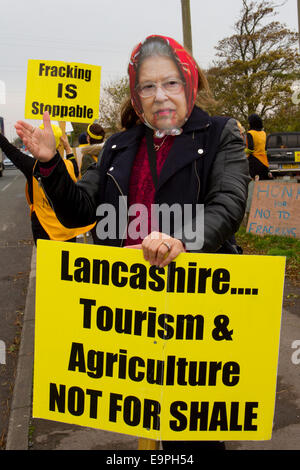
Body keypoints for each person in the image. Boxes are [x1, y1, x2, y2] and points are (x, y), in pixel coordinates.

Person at [15, 35, 250, 449]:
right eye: (147, 86)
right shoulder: (118, 146)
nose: (160, 96)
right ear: (136, 94)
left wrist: (182, 240)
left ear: (190, 83)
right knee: (144, 421)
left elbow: (229, 204)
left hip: (193, 312)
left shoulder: (219, 133)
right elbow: (78, 212)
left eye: (171, 83)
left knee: (191, 435)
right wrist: (51, 164)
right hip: (129, 313)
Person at [0, 124, 93, 244]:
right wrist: (67, 146)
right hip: (67, 229)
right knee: (64, 262)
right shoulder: (69, 166)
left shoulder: (32, 167)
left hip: (44, 230)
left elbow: (10, 150)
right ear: (59, 143)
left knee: (48, 263)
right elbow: (73, 163)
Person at [245, 113, 271, 180]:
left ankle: (255, 176)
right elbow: (265, 149)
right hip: (264, 161)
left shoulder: (250, 133)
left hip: (254, 162)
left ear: (251, 123)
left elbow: (251, 149)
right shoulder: (264, 133)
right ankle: (268, 173)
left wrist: (243, 150)